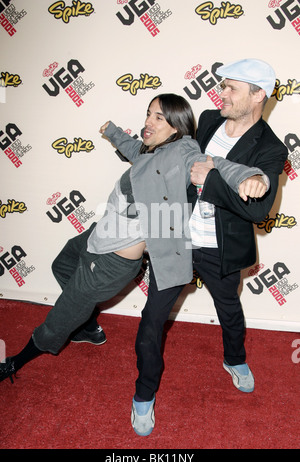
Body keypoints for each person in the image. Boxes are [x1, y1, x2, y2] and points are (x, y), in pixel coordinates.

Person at [0, 93, 266, 391]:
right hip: (98, 235)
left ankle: (14, 362)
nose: (148, 122)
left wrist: (251, 177)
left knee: (60, 318)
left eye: (159, 118)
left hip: (112, 261)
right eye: (148, 114)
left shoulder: (183, 150)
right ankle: (89, 328)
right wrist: (112, 131)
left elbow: (211, 163)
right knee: (62, 264)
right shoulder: (151, 149)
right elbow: (132, 149)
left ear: (176, 127)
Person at [128, 59, 288, 436]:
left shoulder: (271, 148)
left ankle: (235, 359)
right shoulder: (208, 118)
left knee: (229, 311)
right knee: (152, 319)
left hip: (221, 248)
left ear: (258, 94)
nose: (222, 93)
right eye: (224, 85)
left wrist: (212, 179)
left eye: (232, 88)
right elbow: (179, 160)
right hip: (177, 240)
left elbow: (260, 208)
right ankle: (143, 394)